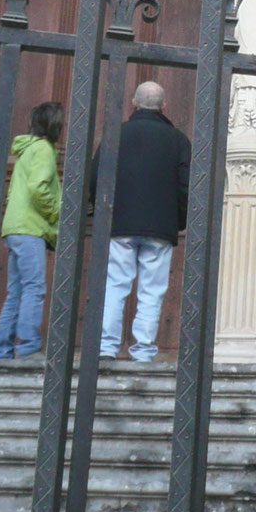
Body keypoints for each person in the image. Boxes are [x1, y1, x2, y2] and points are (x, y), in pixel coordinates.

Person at [90, 80, 191, 363]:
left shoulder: (116, 134)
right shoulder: (178, 140)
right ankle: (143, 350)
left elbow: (96, 178)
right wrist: (177, 220)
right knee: (152, 291)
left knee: (115, 284)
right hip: (160, 226)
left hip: (119, 223)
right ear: (164, 107)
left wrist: (101, 213)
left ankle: (106, 348)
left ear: (133, 103)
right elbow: (187, 186)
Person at [0, 100, 63, 360]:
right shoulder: (43, 149)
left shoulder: (28, 149)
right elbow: (38, 187)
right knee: (34, 287)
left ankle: (2, 349)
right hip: (30, 228)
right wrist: (57, 210)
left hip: (15, 227)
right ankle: (29, 345)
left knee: (17, 291)